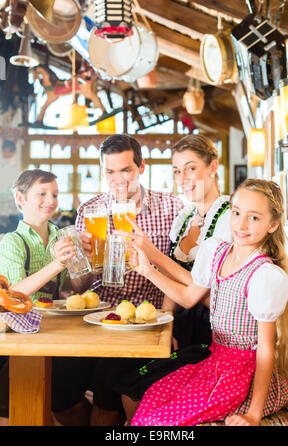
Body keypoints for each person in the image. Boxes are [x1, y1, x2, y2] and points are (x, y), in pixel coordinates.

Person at [127, 178, 288, 426]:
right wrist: (147, 270)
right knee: (151, 397)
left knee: (156, 422)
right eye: (236, 213)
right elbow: (187, 297)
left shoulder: (265, 275)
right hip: (215, 361)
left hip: (241, 375)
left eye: (254, 218)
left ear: (273, 224)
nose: (241, 224)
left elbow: (265, 350)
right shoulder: (217, 252)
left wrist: (253, 414)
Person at [76, 134, 184, 425]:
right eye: (110, 172)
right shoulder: (90, 211)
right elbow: (79, 287)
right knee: (63, 388)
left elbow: (178, 270)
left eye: (126, 170)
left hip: (152, 320)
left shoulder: (171, 208)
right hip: (101, 319)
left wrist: (169, 320)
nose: (118, 179)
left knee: (108, 385)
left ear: (141, 168)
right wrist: (85, 261)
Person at [0, 169, 94, 426]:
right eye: (41, 194)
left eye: (54, 194)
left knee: (67, 391)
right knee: (17, 397)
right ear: (21, 198)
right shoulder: (13, 241)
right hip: (14, 337)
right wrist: (57, 264)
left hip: (52, 333)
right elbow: (14, 294)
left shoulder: (61, 236)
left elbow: (78, 287)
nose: (50, 200)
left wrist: (85, 263)